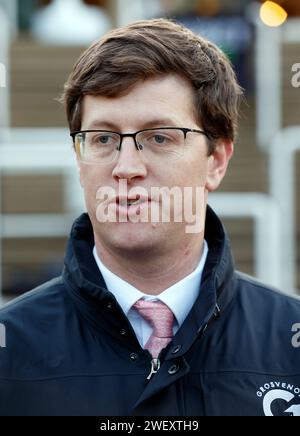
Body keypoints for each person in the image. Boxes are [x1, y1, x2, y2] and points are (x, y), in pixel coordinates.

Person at [0, 18, 300, 417]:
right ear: (79, 158)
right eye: (103, 138)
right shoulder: (10, 353)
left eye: (159, 137)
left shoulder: (288, 341)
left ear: (217, 160)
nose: (126, 167)